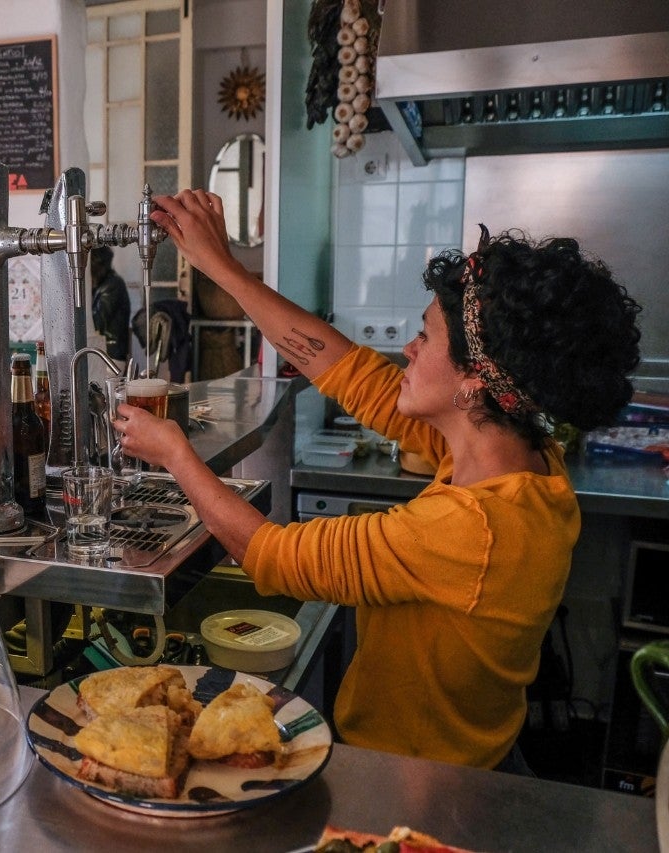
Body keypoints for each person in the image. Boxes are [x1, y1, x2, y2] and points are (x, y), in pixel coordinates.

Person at [113, 188, 642, 772]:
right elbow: (348, 371)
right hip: (474, 757)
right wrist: (225, 269)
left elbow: (273, 556)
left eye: (425, 338)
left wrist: (176, 455)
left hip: (422, 781)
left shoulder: (475, 528)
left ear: (475, 380)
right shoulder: (516, 454)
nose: (407, 350)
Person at [90, 245, 131, 362]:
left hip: (111, 355)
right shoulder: (104, 284)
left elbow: (97, 322)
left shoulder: (112, 285)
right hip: (105, 352)